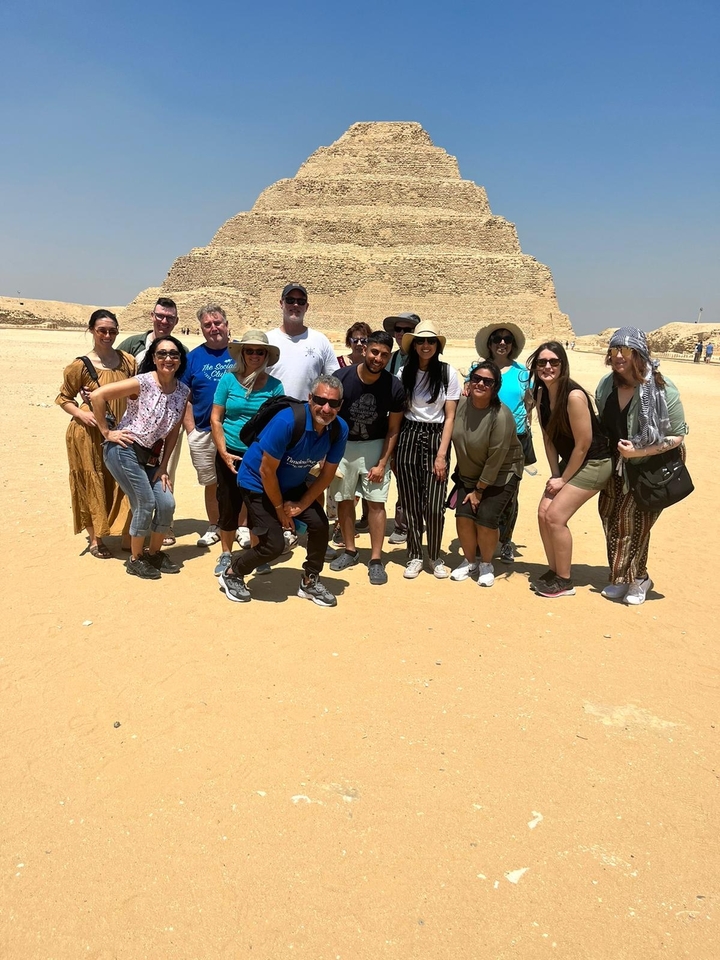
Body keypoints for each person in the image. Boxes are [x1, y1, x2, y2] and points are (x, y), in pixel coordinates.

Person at [218, 375, 349, 606]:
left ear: (340, 405)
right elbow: (266, 471)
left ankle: (310, 581)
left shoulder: (338, 429)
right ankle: (232, 573)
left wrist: (301, 505)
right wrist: (280, 510)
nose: (326, 408)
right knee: (273, 545)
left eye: (334, 403)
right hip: (256, 482)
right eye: (320, 400)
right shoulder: (287, 422)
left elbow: (327, 474)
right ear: (310, 398)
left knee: (319, 525)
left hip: (290, 484)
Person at [595, 327, 689, 604]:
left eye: (625, 350)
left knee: (635, 524)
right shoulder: (606, 385)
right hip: (618, 465)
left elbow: (678, 435)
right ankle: (622, 576)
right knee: (610, 517)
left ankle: (638, 579)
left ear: (639, 353)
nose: (618, 356)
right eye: (613, 350)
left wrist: (641, 451)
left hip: (652, 465)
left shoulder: (662, 389)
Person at [93, 337, 190, 580]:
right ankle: (135, 559)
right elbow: (98, 396)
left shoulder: (183, 391)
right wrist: (107, 432)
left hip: (151, 458)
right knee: (145, 503)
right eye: (162, 354)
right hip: (125, 449)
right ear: (154, 359)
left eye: (174, 354)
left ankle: (154, 553)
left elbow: (173, 432)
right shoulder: (143, 382)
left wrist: (164, 466)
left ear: (180, 359)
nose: (168, 358)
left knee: (166, 503)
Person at [528, 342, 612, 598]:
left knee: (555, 516)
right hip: (572, 462)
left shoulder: (574, 396)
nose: (548, 367)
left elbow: (584, 444)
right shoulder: (541, 394)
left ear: (563, 365)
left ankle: (564, 581)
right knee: (543, 512)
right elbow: (548, 438)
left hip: (595, 462)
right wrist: (555, 475)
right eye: (542, 362)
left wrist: (563, 479)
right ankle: (555, 571)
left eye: (554, 362)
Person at [55, 310, 136, 558]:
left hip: (118, 430)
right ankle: (95, 539)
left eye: (112, 331)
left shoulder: (128, 361)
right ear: (91, 330)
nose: (107, 335)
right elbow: (63, 398)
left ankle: (125, 533)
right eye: (102, 330)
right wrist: (81, 414)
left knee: (124, 480)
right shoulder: (80, 366)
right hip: (87, 433)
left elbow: (135, 393)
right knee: (93, 479)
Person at [328, 331, 405, 584]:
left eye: (384, 354)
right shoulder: (342, 378)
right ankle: (350, 550)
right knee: (345, 500)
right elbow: (328, 417)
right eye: (374, 352)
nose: (378, 358)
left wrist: (383, 462)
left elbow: (393, 428)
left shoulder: (393, 386)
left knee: (375, 503)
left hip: (375, 446)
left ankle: (375, 559)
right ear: (365, 350)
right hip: (345, 446)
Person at [210, 330, 283, 578]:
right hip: (229, 451)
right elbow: (216, 418)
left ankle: (256, 552)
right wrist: (223, 452)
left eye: (259, 351)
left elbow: (276, 423)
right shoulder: (227, 381)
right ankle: (226, 552)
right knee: (228, 503)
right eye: (249, 350)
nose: (254, 355)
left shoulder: (275, 386)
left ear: (265, 355)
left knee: (258, 507)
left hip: (259, 455)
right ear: (242, 353)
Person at [394, 323, 461, 579]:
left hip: (436, 438)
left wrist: (442, 455)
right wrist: (393, 453)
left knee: (434, 505)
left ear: (437, 346)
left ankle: (434, 555)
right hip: (409, 435)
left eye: (431, 342)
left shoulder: (447, 373)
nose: (425, 346)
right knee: (410, 502)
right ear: (414, 346)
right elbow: (398, 413)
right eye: (421, 342)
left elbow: (450, 417)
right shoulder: (403, 372)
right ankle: (413, 555)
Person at [117, 296, 185, 544]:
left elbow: (182, 390)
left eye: (169, 318)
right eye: (160, 316)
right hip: (132, 425)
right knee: (133, 480)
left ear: (176, 321)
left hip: (165, 426)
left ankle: (164, 527)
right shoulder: (132, 344)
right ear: (152, 316)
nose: (164, 321)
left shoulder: (179, 351)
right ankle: (133, 530)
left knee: (166, 474)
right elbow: (111, 369)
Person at [450, 360, 524, 587]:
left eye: (487, 381)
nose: (480, 383)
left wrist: (479, 491)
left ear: (495, 387)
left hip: (501, 474)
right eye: (476, 379)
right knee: (463, 516)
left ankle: (486, 564)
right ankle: (470, 560)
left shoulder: (501, 415)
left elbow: (496, 458)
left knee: (486, 518)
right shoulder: (460, 404)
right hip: (469, 473)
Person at [468, 322, 535, 563]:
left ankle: (505, 541)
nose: (502, 343)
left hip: (514, 439)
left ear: (513, 345)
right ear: (489, 343)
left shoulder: (523, 375)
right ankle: (480, 539)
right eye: (497, 338)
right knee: (479, 489)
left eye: (507, 339)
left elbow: (530, 403)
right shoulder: (476, 370)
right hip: (481, 436)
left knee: (508, 494)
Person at [181, 304, 234, 548]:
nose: (214, 328)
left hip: (234, 430)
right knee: (210, 481)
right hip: (202, 431)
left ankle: (240, 526)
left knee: (238, 480)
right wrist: (191, 430)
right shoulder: (193, 357)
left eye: (217, 323)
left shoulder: (241, 352)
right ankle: (214, 525)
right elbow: (184, 397)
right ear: (201, 329)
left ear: (227, 324)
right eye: (207, 325)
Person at [382, 312, 422, 544]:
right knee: (396, 473)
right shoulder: (390, 359)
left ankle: (407, 523)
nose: (401, 334)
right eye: (398, 330)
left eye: (407, 330)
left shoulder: (425, 359)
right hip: (393, 425)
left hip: (416, 427)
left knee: (411, 477)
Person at [266, 284, 338, 400]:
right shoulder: (267, 340)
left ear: (307, 307)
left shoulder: (320, 341)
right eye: (290, 300)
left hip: (306, 414)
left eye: (301, 301)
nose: (295, 305)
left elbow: (334, 381)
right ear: (281, 303)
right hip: (272, 414)